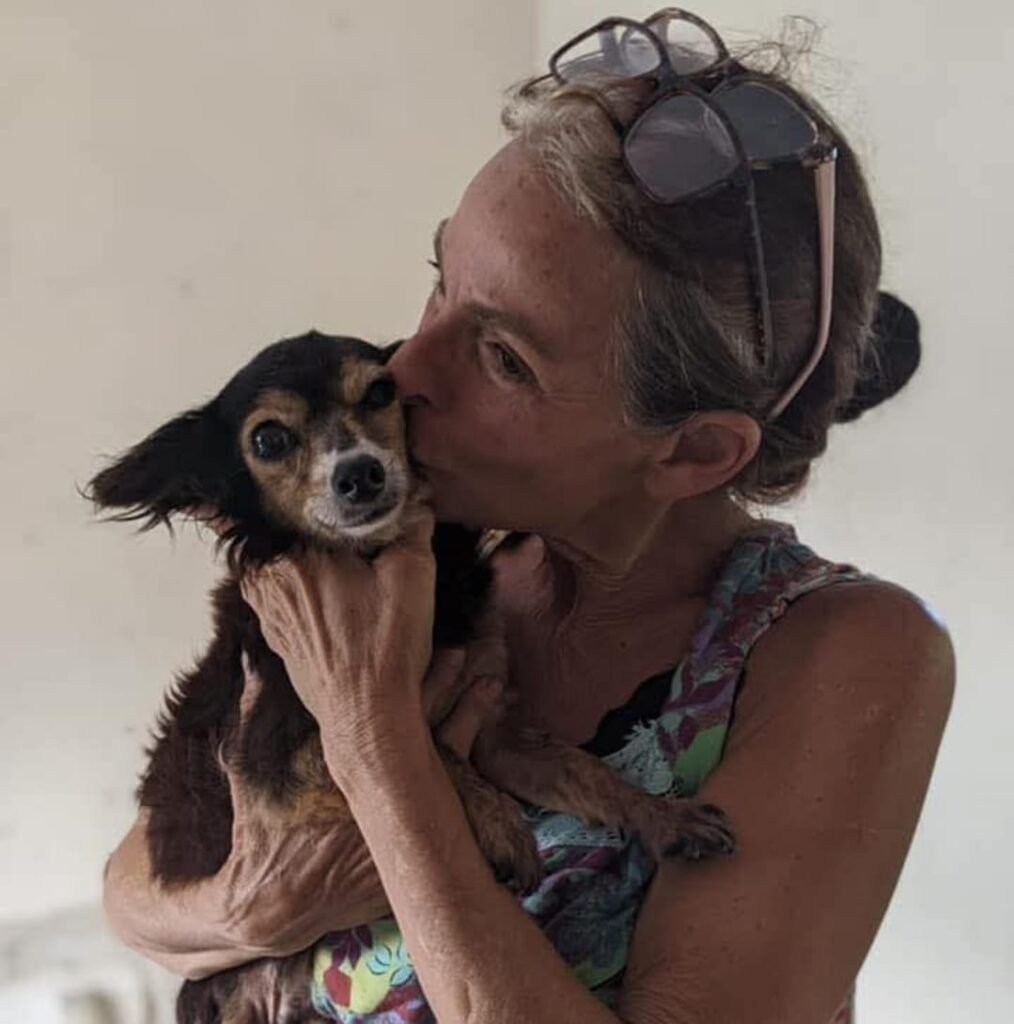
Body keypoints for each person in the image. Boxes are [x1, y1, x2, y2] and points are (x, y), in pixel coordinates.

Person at [102, 10, 952, 1023]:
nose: (406, 370)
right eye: (439, 280)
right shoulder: (416, 550)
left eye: (504, 358)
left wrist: (377, 746)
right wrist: (258, 907)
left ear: (691, 451)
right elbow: (134, 893)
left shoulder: (841, 654)